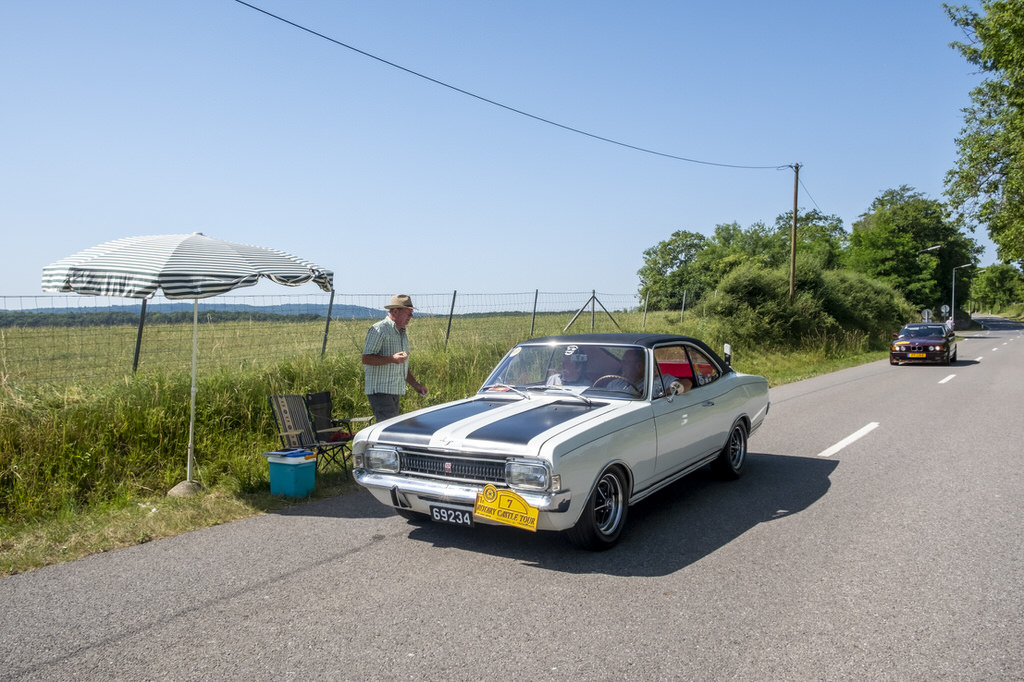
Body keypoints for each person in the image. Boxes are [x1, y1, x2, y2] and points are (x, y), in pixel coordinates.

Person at [362, 294, 428, 423]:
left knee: (391, 426)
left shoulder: (402, 332)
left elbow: (401, 364)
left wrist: (416, 385)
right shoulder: (379, 329)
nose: (411, 316)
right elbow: (366, 359)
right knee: (389, 428)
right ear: (396, 311)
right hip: (380, 391)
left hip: (393, 390)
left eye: (412, 313)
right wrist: (392, 359)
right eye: (408, 313)